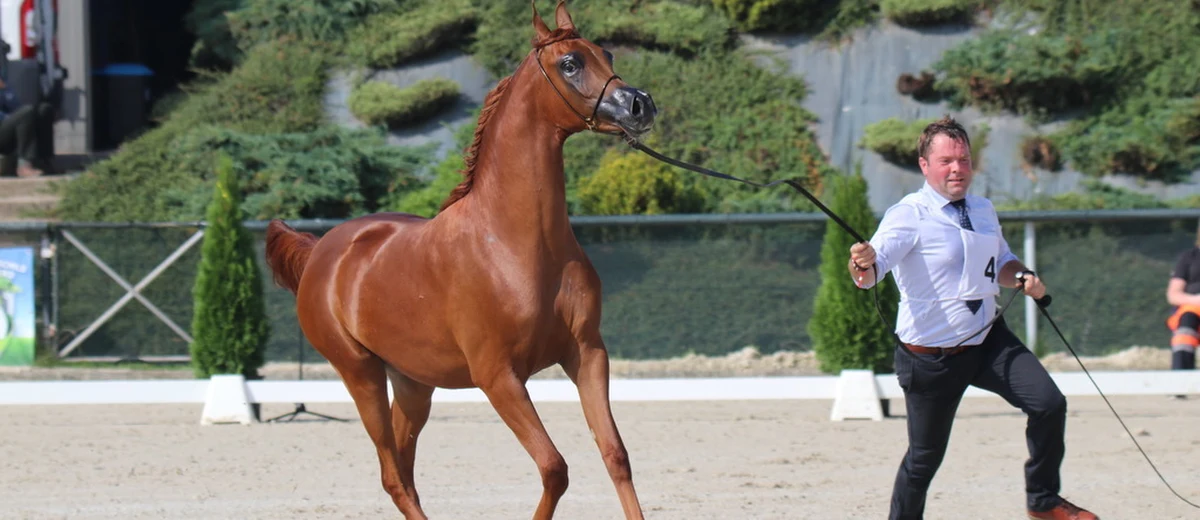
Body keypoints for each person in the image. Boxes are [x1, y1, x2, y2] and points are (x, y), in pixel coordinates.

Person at [847, 116, 1098, 520]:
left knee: (1049, 404)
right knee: (924, 460)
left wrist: (1021, 276)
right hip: (930, 357)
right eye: (946, 160)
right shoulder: (907, 214)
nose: (957, 168)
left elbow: (1001, 260)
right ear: (924, 165)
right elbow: (872, 271)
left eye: (963, 159)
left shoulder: (982, 208)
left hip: (988, 341)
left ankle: (1043, 500)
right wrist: (862, 263)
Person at [0, 76, 55, 178]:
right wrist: (13, 117)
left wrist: (5, 90)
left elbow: (15, 106)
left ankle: (44, 162)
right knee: (26, 112)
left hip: (7, 127)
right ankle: (24, 165)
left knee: (44, 110)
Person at [1165, 233, 1200, 374]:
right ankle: (1181, 381)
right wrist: (1196, 300)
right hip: (1193, 309)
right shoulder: (1189, 257)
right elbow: (1173, 294)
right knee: (1186, 324)